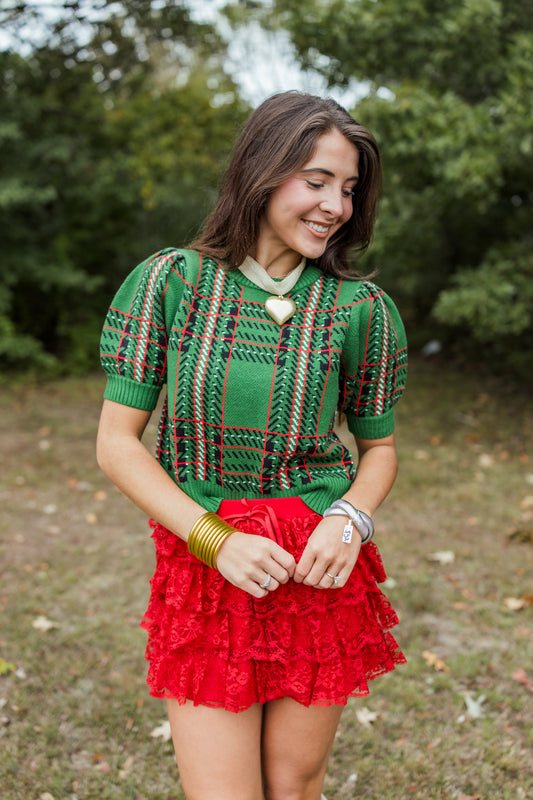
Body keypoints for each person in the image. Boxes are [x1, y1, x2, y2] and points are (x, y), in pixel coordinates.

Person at [97, 90, 408, 800]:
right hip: (209, 569)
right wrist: (215, 540)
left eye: (351, 189)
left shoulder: (360, 310)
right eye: (317, 180)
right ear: (262, 172)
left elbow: (379, 451)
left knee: (292, 785)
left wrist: (349, 519)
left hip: (317, 574)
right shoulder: (170, 283)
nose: (337, 206)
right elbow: (117, 444)